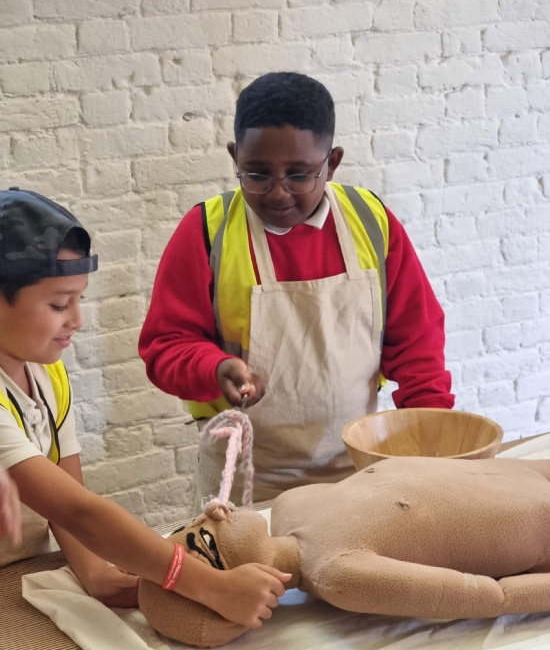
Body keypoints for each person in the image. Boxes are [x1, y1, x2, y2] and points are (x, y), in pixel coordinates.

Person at [138, 72, 455, 512]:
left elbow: (418, 342)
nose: (278, 192)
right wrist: (216, 366)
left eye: (299, 175)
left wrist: (428, 433)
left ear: (332, 162)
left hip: (361, 469)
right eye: (257, 174)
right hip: (247, 478)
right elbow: (164, 346)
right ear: (235, 157)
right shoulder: (207, 233)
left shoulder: (371, 223)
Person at [0, 187, 289, 626]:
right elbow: (82, 513)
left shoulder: (46, 373)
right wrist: (209, 586)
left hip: (22, 573)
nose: (76, 320)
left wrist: (97, 573)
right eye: (59, 304)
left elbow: (68, 496)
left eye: (79, 299)